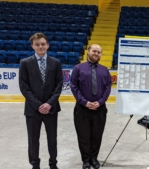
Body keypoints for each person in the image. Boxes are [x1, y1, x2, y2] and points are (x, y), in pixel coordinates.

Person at [19, 33, 63, 169]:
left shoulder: (56, 63)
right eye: (37, 44)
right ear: (32, 46)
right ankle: (35, 164)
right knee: (33, 140)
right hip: (33, 110)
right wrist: (38, 105)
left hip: (51, 108)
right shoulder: (25, 63)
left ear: (48, 45)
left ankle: (53, 164)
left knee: (52, 139)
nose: (40, 46)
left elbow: (59, 85)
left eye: (43, 44)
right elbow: (24, 87)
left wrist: (49, 103)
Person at [70, 44, 112, 169]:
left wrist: (100, 102)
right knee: (83, 136)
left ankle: (94, 158)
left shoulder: (105, 70)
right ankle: (86, 160)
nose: (96, 54)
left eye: (99, 52)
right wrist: (84, 102)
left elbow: (108, 87)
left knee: (97, 135)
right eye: (94, 51)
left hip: (100, 109)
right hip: (82, 109)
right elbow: (74, 86)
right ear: (88, 51)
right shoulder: (78, 68)